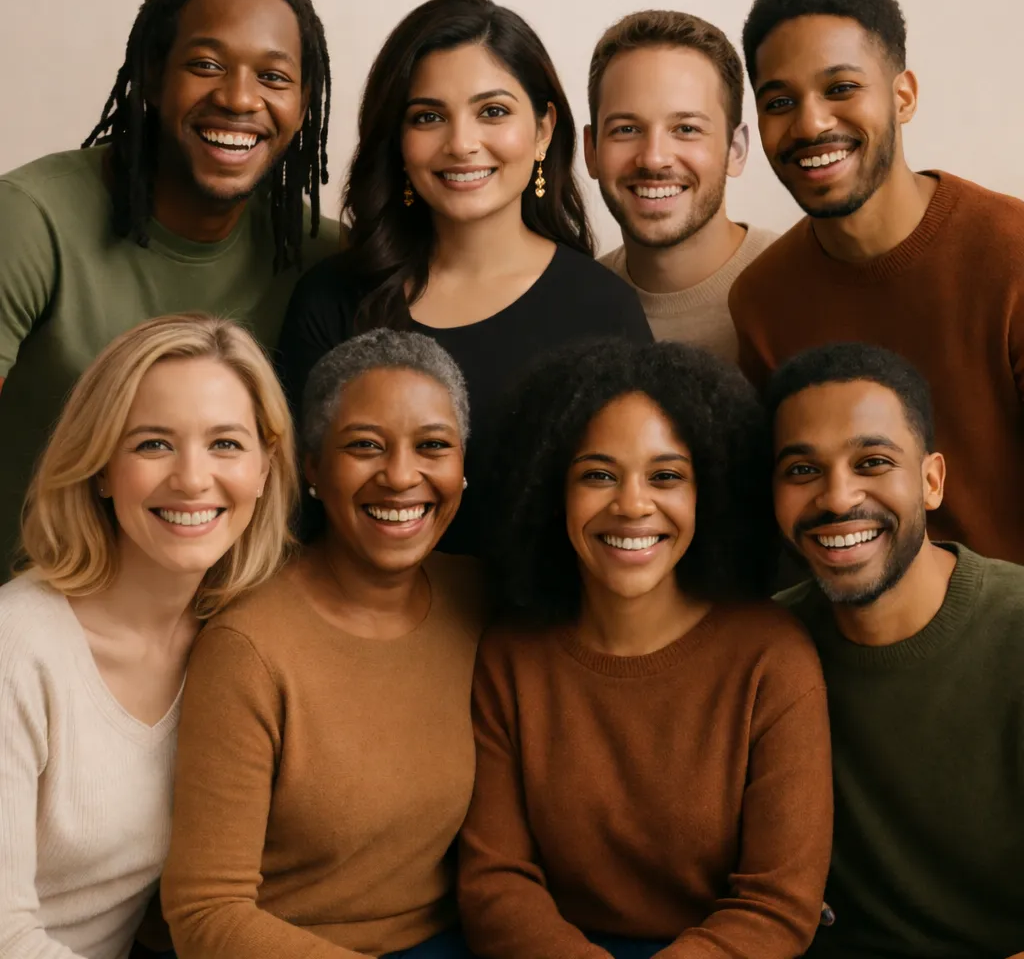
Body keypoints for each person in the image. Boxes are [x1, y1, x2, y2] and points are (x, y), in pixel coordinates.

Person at [458, 339, 832, 959]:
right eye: (598, 475)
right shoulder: (511, 656)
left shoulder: (772, 657)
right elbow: (495, 881)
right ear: (550, 490)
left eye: (666, 477)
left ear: (708, 492)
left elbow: (779, 904)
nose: (632, 505)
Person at [277, 0, 651, 555]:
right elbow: (294, 511)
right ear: (398, 140)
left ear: (543, 129)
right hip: (354, 607)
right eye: (428, 117)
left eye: (492, 112)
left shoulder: (603, 309)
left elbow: (630, 509)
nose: (461, 144)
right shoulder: (330, 298)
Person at [0, 0, 339, 570]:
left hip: (213, 609)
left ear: (303, 102)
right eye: (206, 65)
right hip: (29, 597)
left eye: (273, 77)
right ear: (153, 78)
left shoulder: (318, 256)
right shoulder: (29, 220)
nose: (240, 98)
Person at [163, 330, 484, 959]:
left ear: (462, 466)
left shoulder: (479, 598)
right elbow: (205, 912)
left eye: (433, 446)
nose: (401, 475)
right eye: (365, 446)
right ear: (312, 467)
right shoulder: (248, 647)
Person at [0, 313, 296, 959]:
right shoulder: (16, 647)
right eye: (153, 444)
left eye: (225, 444)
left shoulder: (236, 644)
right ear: (101, 468)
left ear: (265, 468)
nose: (192, 478)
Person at [727, 0, 1024, 565]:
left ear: (903, 96)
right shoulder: (763, 299)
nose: (810, 123)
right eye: (780, 101)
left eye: (840, 88)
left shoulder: (1012, 253)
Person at [768, 342, 1024, 959]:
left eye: (874, 462)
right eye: (801, 470)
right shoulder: (765, 647)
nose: (837, 497)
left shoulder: (1015, 631)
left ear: (932, 481)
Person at [584, 10, 776, 359]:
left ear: (736, 150)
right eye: (626, 129)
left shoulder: (803, 284)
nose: (654, 158)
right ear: (591, 151)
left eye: (687, 129)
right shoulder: (572, 304)